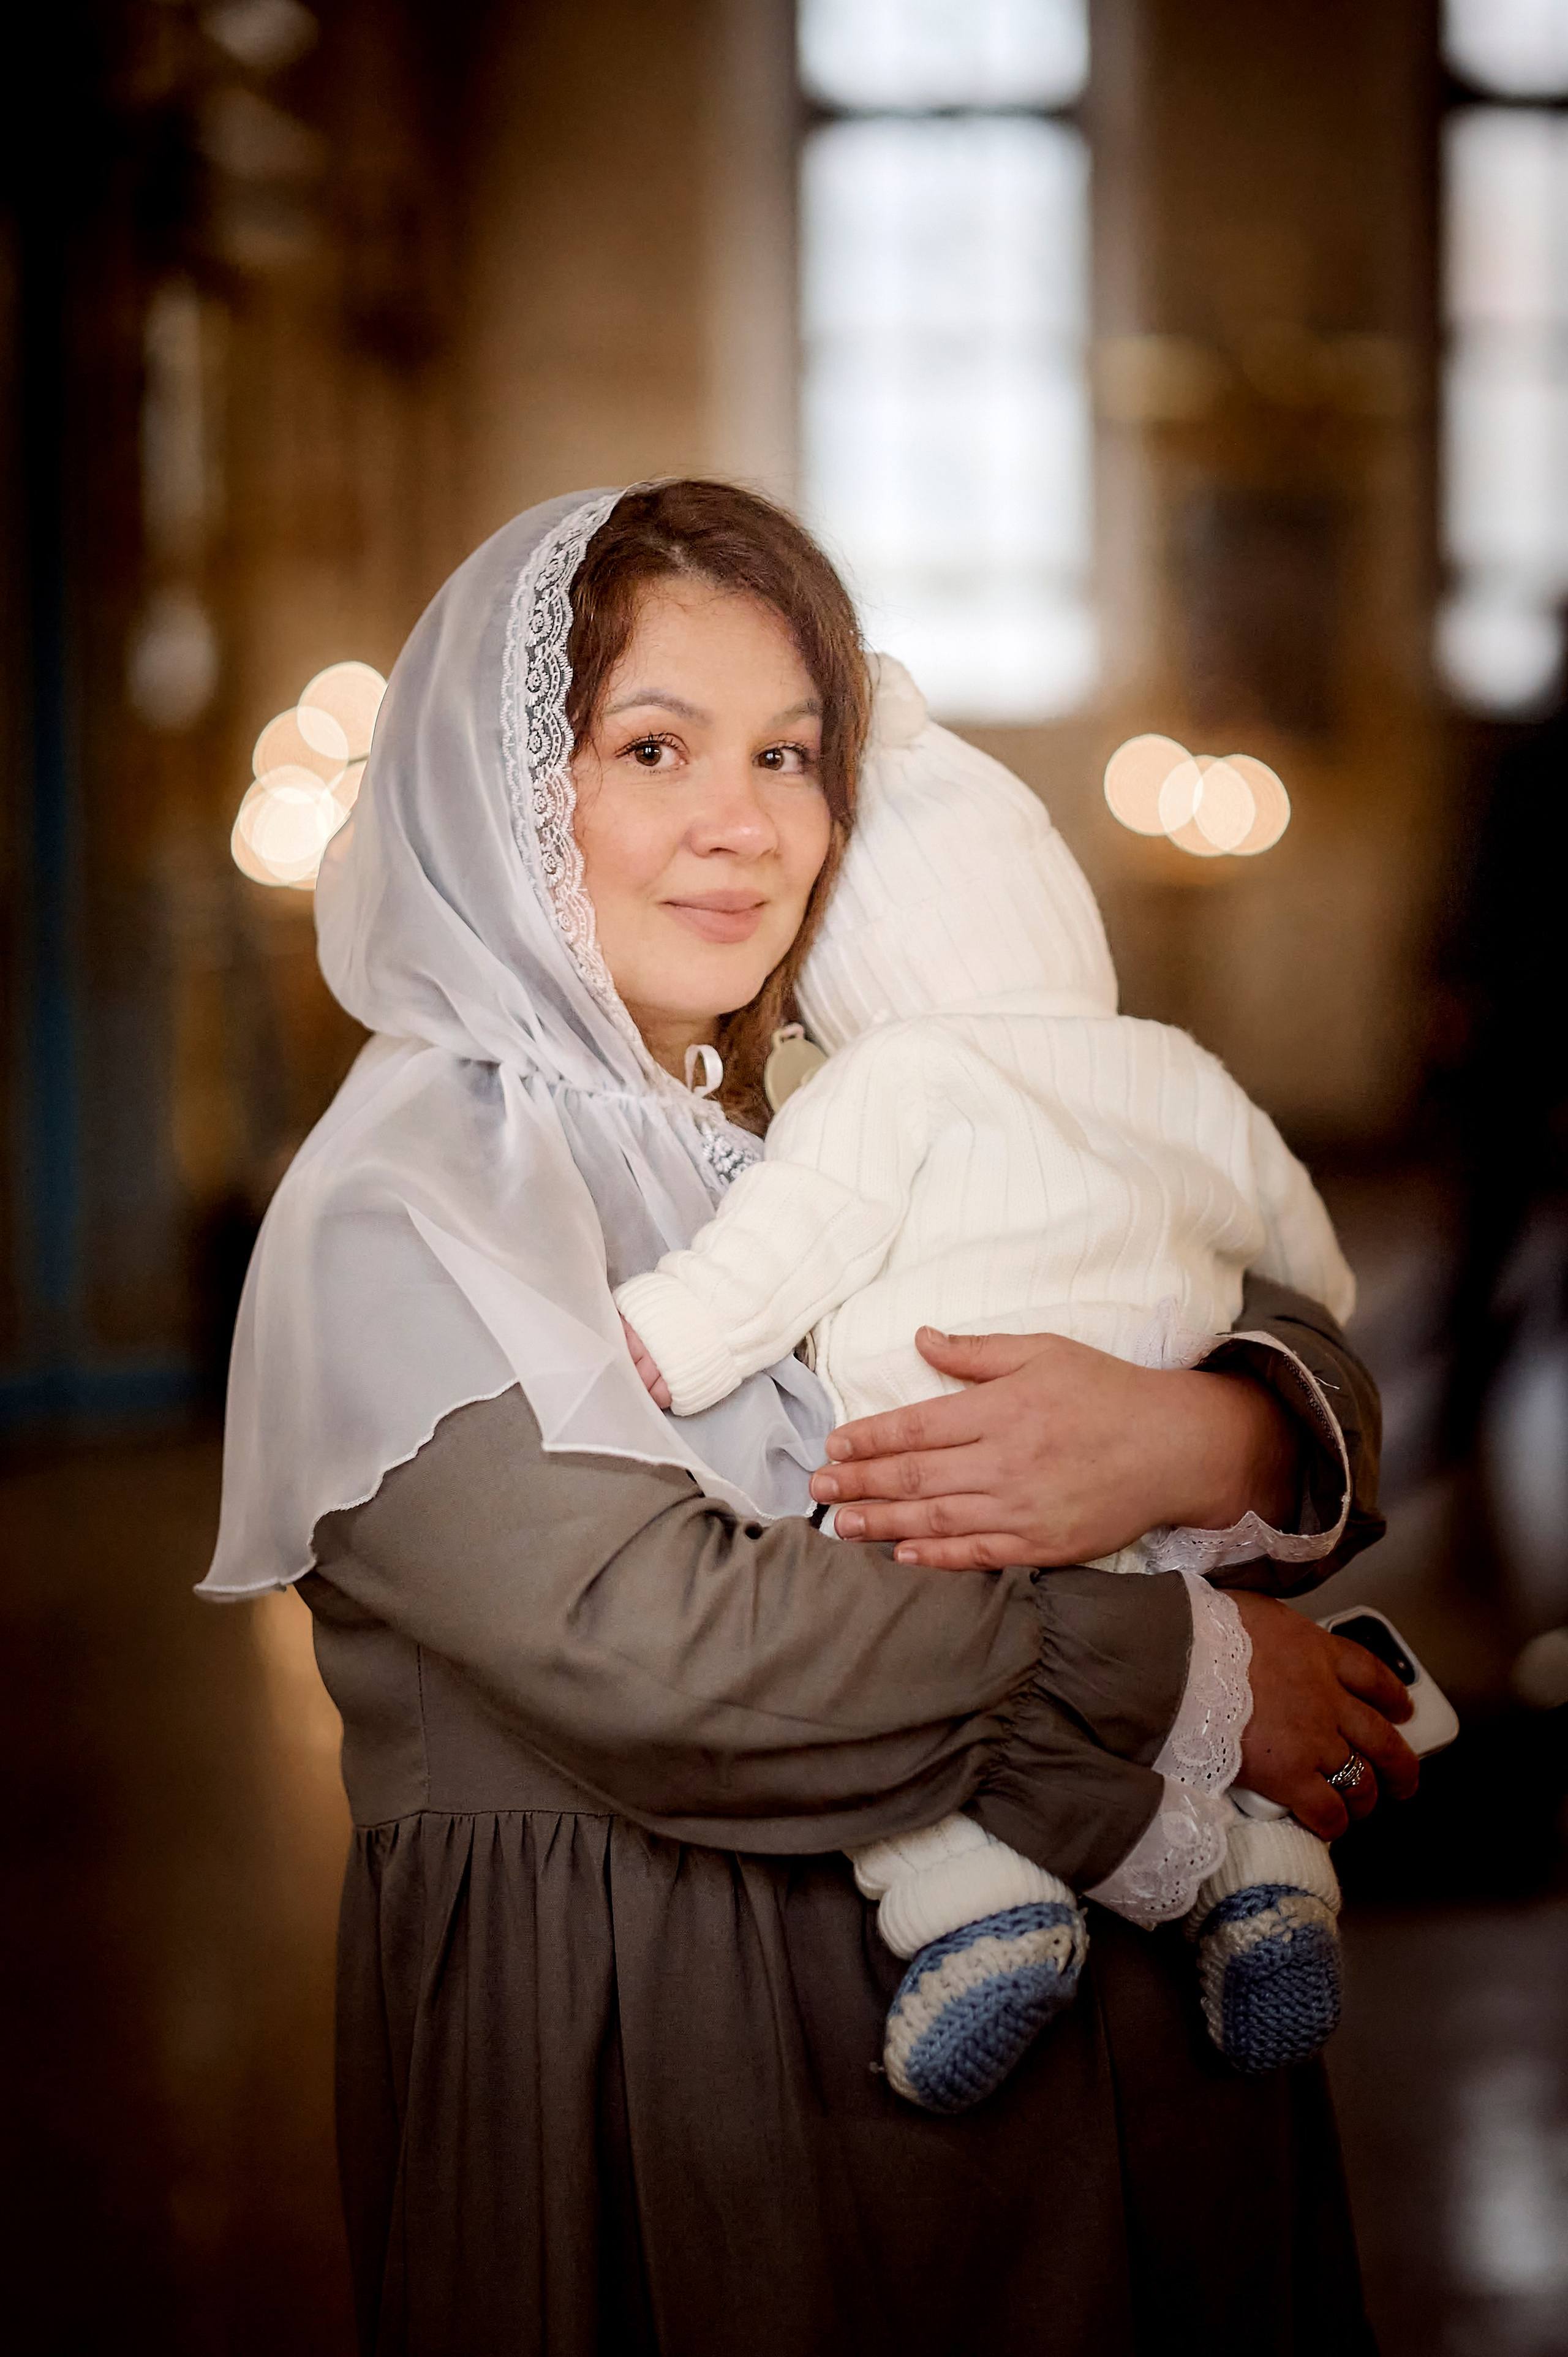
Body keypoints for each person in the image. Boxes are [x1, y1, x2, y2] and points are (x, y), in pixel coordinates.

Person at [202, 481, 1414, 2357]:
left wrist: (1211, 1440)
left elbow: (1285, 1320)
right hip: (693, 2092)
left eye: (791, 754)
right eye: (653, 746)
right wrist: (1178, 1659)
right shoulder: (407, 1199)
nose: (743, 826)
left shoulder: (821, 1102)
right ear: (502, 790)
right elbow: (660, 1642)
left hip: (1076, 2098)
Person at [614, 650, 1358, 2108]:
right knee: (1189, 1654)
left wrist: (660, 1340)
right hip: (1168, 1506)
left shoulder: (900, 1072)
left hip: (929, 1478)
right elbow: (1314, 1269)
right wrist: (1239, 1382)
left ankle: (973, 1908)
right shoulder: (1176, 1065)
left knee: (880, 1671)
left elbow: (782, 1245)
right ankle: (1266, 1881)